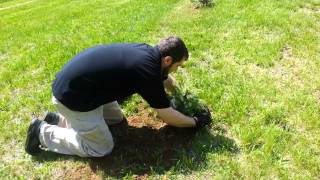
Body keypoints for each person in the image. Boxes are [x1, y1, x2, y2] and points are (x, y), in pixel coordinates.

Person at [25, 36, 211, 157]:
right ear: (168, 60)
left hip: (84, 88)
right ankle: (41, 132)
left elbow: (166, 79)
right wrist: (195, 121)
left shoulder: (149, 54)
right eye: (177, 66)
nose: (176, 70)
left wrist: (179, 96)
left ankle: (58, 119)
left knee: (115, 119)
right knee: (102, 148)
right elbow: (167, 115)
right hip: (74, 98)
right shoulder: (147, 72)